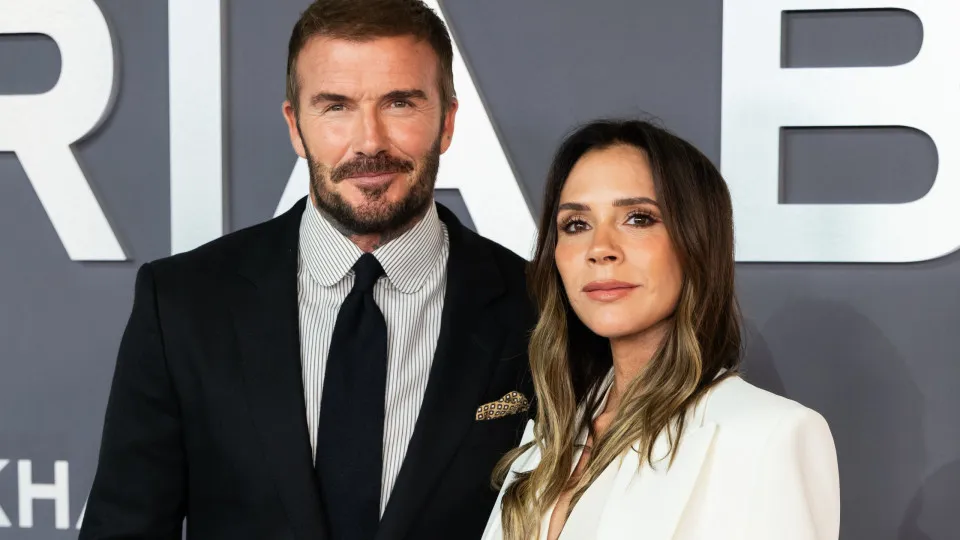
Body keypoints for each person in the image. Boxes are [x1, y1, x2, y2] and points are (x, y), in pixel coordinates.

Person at [79, 1, 535, 539]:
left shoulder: (536, 307)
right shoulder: (182, 304)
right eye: (336, 106)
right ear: (296, 126)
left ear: (448, 121)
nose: (369, 141)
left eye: (399, 103)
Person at [480, 119, 841, 540]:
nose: (600, 249)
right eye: (576, 224)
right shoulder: (548, 435)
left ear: (696, 241)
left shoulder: (770, 436)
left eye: (638, 218)